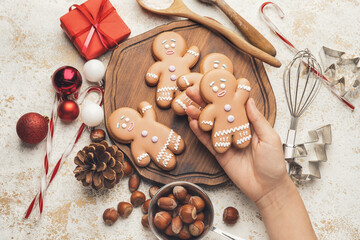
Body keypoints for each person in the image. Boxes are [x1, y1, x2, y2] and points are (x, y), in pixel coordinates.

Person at [185, 87, 317, 240]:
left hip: (242, 132)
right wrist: (274, 190)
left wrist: (274, 188)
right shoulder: (216, 105)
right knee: (217, 138)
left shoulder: (235, 99)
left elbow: (242, 91)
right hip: (222, 135)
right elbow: (207, 121)